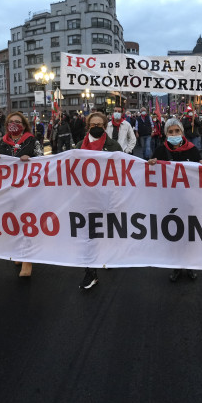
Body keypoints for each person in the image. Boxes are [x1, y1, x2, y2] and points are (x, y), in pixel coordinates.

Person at [148, 117, 202, 282]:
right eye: (171, 131)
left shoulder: (192, 149)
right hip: (168, 201)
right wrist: (151, 164)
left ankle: (189, 265)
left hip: (189, 200)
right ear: (166, 133)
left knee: (189, 233)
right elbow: (150, 171)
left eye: (177, 131)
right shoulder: (161, 151)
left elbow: (199, 171)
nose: (174, 134)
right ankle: (176, 266)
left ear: (182, 132)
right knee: (173, 234)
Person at [0, 111, 44, 277]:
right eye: (11, 121)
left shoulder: (31, 140)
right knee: (13, 222)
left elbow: (42, 159)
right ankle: (20, 252)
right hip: (9, 188)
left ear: (23, 125)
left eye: (18, 121)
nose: (14, 124)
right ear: (7, 125)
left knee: (27, 221)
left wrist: (32, 158)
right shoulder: (4, 141)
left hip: (28, 188)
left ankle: (28, 260)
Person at [74, 111, 123, 290]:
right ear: (88, 127)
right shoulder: (79, 146)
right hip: (86, 196)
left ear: (105, 127)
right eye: (93, 125)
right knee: (89, 233)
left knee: (106, 228)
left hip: (107, 195)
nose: (96, 128)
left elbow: (123, 169)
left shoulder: (113, 146)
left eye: (99, 125)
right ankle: (90, 271)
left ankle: (107, 255)